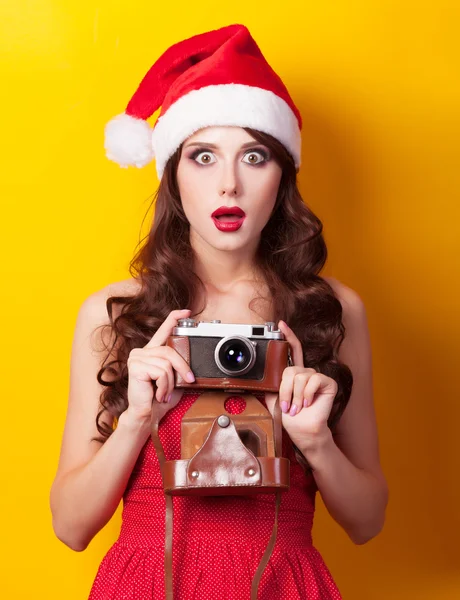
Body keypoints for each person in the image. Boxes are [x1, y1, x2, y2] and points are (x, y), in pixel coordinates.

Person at [50, 23, 388, 599]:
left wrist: (315, 441)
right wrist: (136, 419)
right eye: (203, 156)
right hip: (149, 582)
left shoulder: (331, 310)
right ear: (172, 175)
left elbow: (366, 520)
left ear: (282, 176)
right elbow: (71, 527)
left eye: (254, 156)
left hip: (281, 583)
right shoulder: (115, 314)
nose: (228, 185)